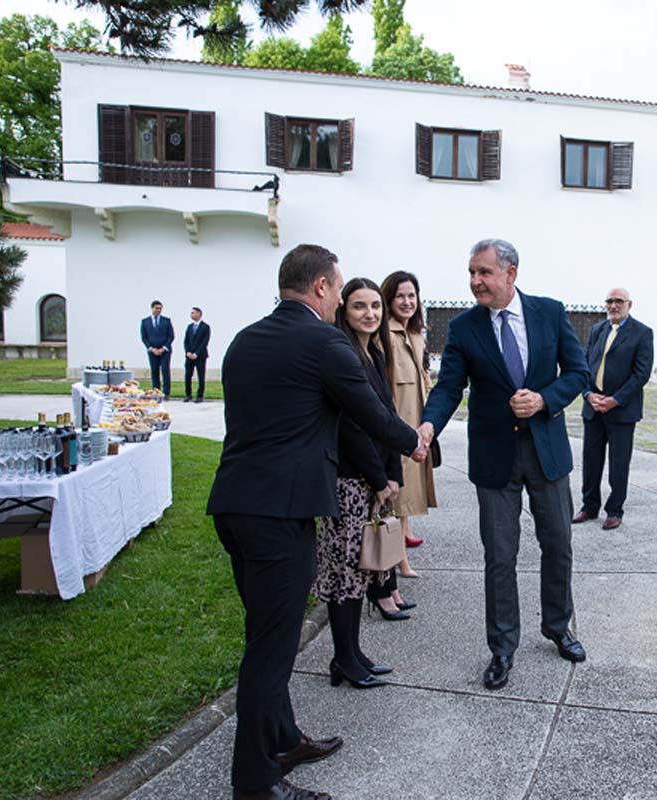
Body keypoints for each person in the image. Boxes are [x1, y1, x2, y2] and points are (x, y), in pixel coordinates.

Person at [207, 244, 426, 800]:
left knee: (266, 634)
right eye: (337, 290)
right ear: (323, 287)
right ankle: (256, 783)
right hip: (279, 515)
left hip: (233, 505)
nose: (336, 302)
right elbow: (370, 413)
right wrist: (414, 442)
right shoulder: (323, 341)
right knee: (269, 652)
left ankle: (284, 739)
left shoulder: (244, 339)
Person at [418, 238, 589, 692]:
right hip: (495, 457)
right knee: (499, 555)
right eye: (471, 273)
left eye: (484, 272)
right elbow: (448, 387)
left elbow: (578, 373)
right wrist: (429, 425)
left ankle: (558, 626)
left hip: (546, 452)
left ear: (511, 273)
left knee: (559, 544)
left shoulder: (550, 313)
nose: (475, 281)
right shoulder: (463, 327)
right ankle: (502, 647)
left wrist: (544, 399)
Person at [314, 277, 415, 693]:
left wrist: (392, 474)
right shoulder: (342, 353)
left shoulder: (373, 352)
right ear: (344, 310)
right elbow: (353, 427)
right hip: (348, 481)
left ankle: (353, 653)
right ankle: (344, 658)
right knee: (345, 574)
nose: (370, 313)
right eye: (359, 306)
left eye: (375, 306)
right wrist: (378, 478)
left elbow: (385, 416)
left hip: (371, 479)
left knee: (361, 572)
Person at [573, 287, 654, 531]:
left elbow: (641, 374)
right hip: (593, 408)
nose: (613, 305)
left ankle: (615, 511)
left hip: (621, 410)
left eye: (619, 301)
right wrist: (588, 394)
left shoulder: (642, 333)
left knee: (619, 464)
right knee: (591, 462)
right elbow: (585, 365)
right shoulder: (597, 330)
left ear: (630, 304)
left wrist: (615, 400)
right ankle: (589, 506)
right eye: (609, 301)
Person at [381, 270, 438, 579]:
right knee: (397, 495)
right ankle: (397, 562)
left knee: (407, 494)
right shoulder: (384, 335)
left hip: (418, 428)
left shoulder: (415, 335)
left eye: (412, 296)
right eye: (400, 296)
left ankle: (401, 549)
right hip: (396, 429)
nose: (407, 302)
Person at [140, 300, 174, 398]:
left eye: (160, 308)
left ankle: (166, 393)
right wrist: (151, 348)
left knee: (165, 370)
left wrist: (163, 348)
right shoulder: (145, 322)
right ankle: (156, 392)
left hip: (165, 351)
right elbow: (144, 337)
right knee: (154, 371)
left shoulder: (166, 321)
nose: (158, 310)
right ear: (152, 308)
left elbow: (171, 336)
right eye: (157, 308)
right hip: (152, 351)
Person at [183, 306, 210, 403]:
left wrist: (196, 353)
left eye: (193, 313)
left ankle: (200, 395)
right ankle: (188, 394)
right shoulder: (189, 327)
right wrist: (188, 352)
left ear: (199, 314)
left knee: (201, 376)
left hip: (200, 356)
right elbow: (186, 341)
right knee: (188, 375)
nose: (191, 314)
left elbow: (204, 342)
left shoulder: (205, 327)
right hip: (189, 356)